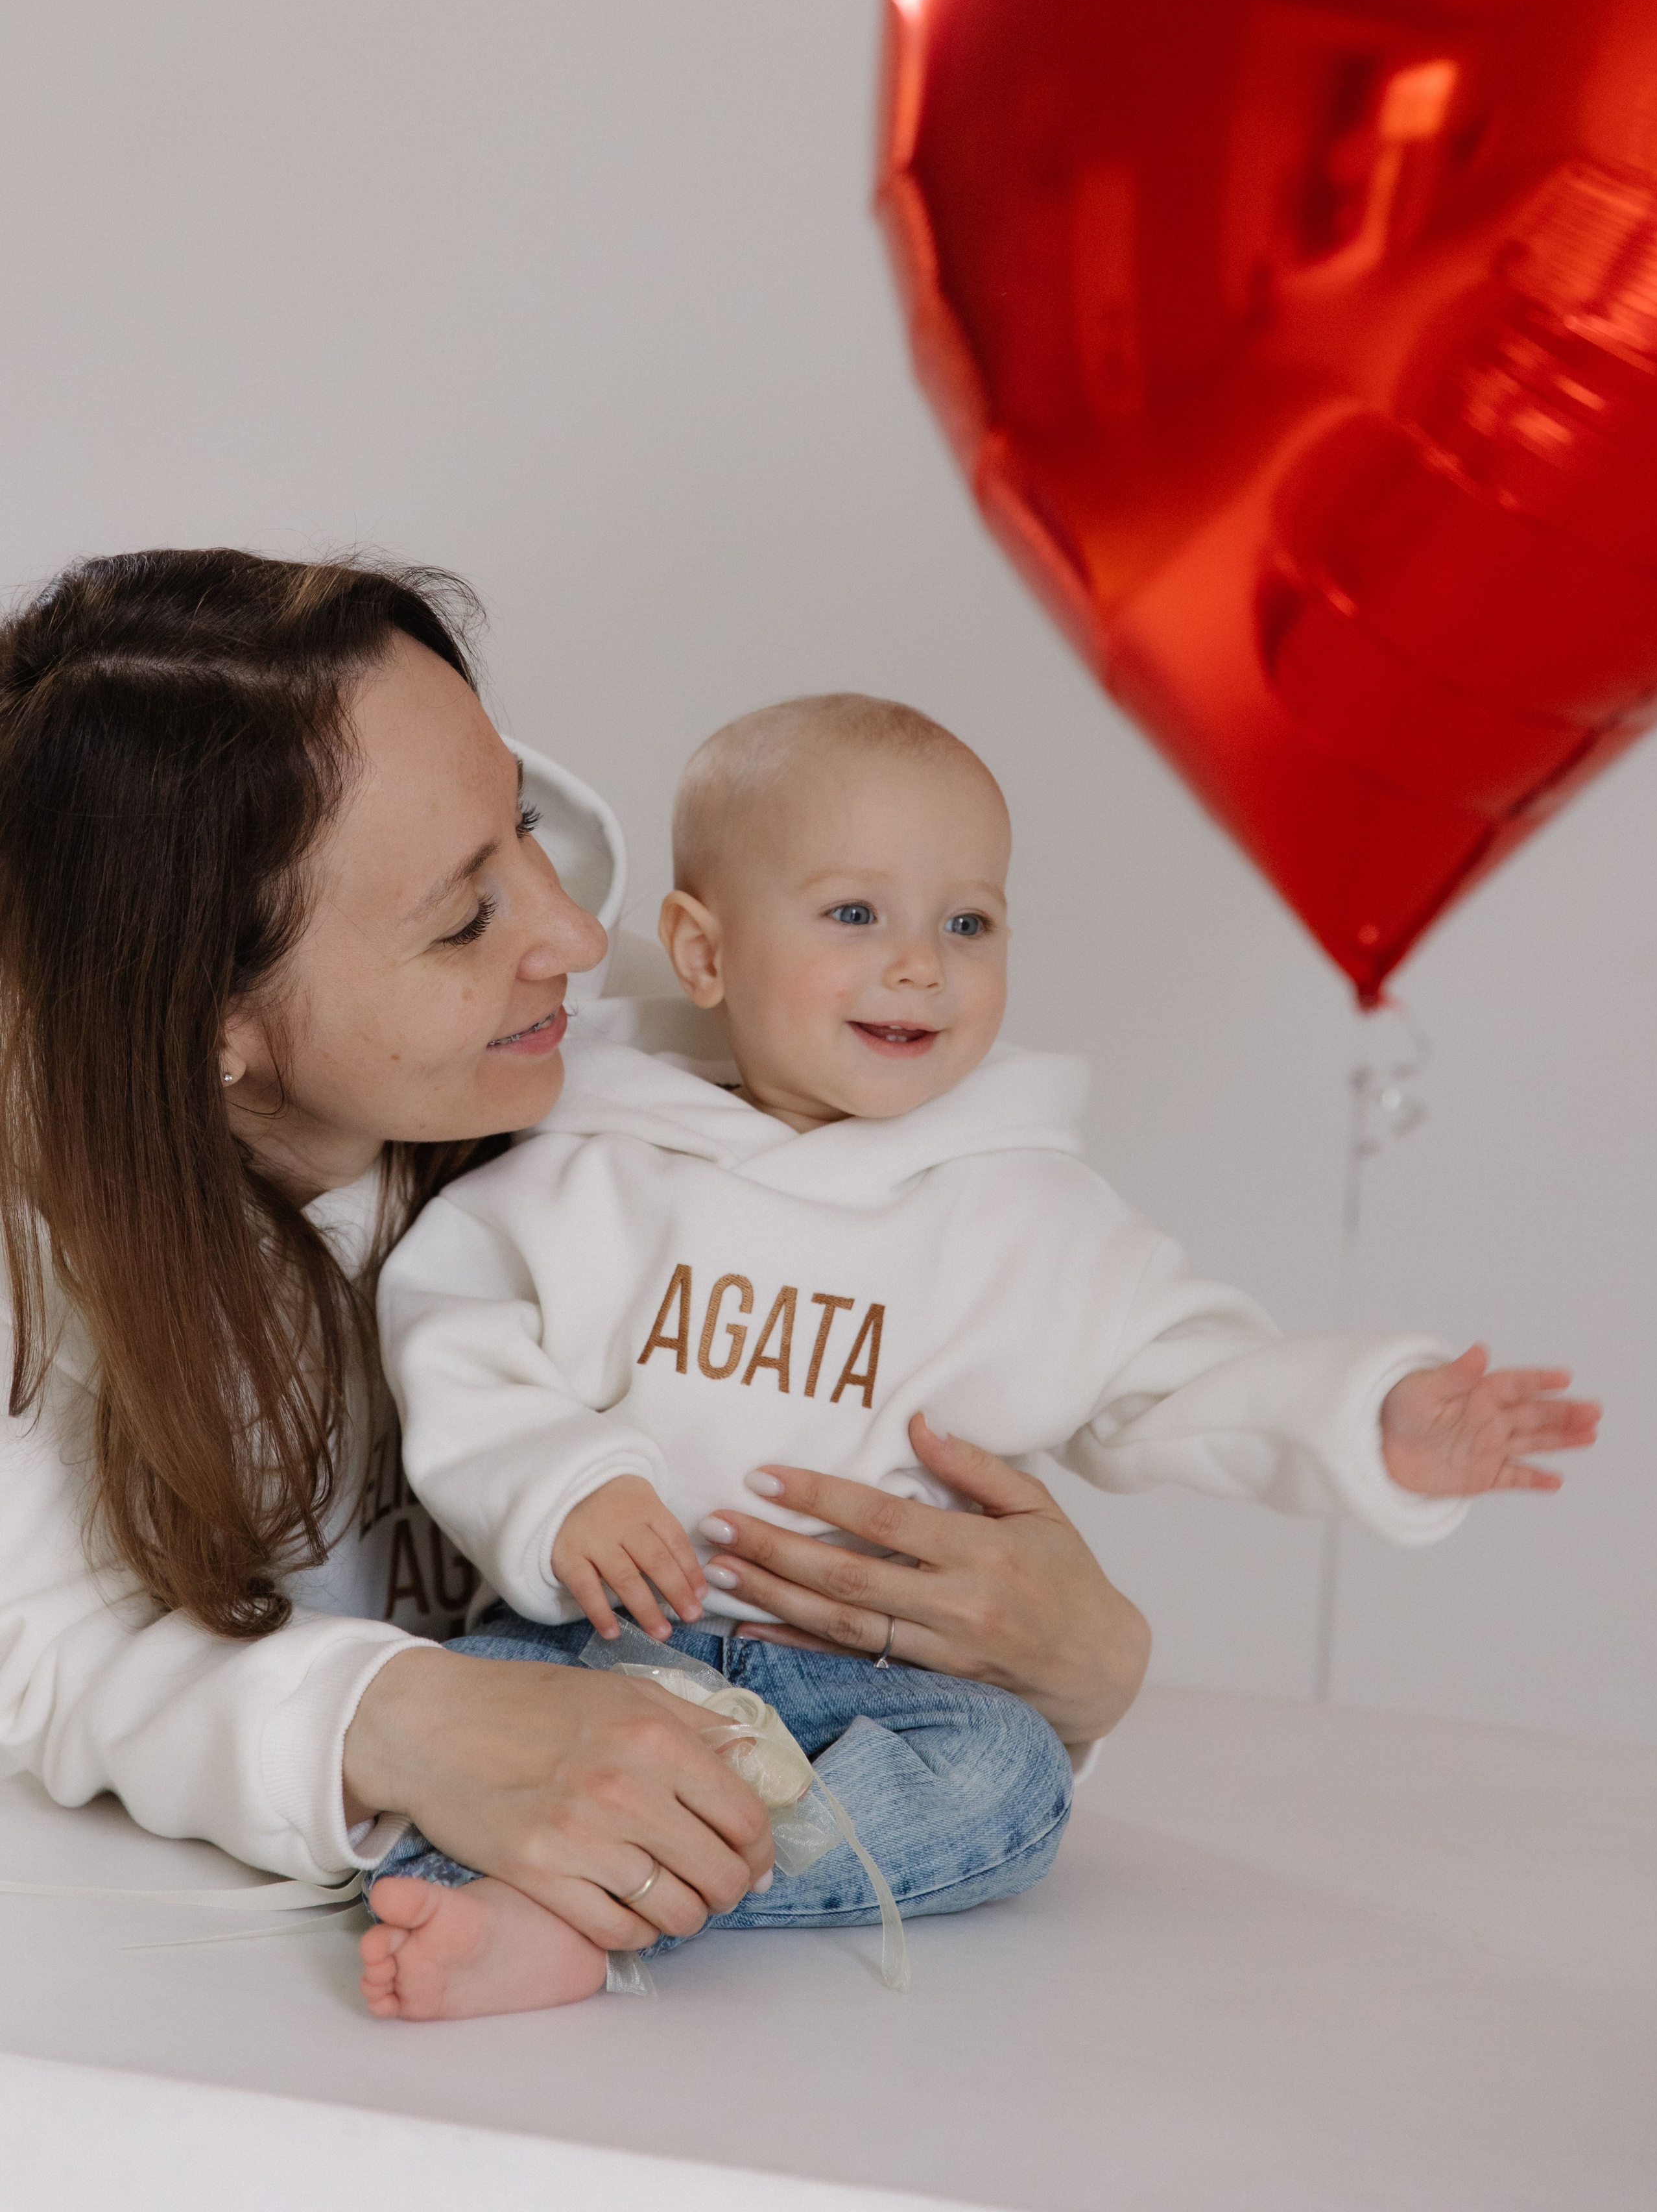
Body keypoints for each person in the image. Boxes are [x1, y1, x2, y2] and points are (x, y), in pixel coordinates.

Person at [0, 551, 1152, 1974]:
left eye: (525, 825)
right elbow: (46, 1663)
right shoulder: (43, 1270)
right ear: (211, 1024)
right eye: (462, 915)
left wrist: (1078, 1671)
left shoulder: (622, 1096)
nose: (572, 935)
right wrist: (405, 1722)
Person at [366, 693, 1600, 2017]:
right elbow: (455, 1322)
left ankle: (590, 1907)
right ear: (703, 952)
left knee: (1007, 1783)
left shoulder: (1023, 1208)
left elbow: (1175, 1374)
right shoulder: (592, 1159)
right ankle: (591, 1879)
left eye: (968, 922)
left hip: (871, 1694)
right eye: (855, 915)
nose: (920, 965)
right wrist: (560, 1488)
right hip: (605, 1651)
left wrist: (1367, 1419)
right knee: (453, 1709)